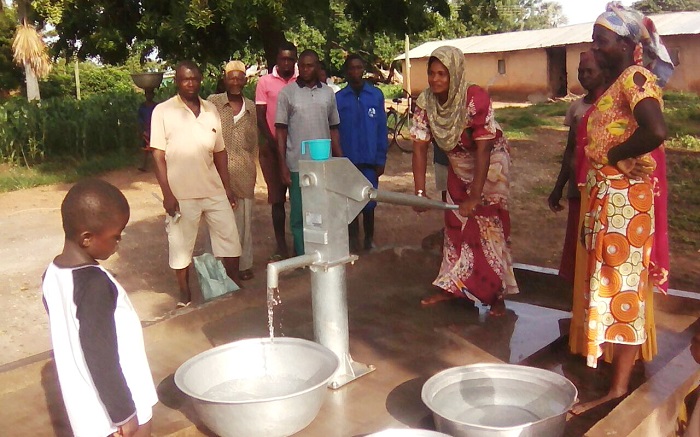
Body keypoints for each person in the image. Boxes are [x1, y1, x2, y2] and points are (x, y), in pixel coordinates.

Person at [572, 2, 674, 413]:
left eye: (604, 42)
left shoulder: (634, 77)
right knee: (612, 288)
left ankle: (617, 389)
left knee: (624, 292)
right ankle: (615, 377)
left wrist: (616, 154)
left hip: (625, 206)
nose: (596, 50)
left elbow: (656, 129)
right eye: (595, 42)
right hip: (609, 202)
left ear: (629, 44)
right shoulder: (615, 86)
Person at [42, 179, 158, 437]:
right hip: (120, 410)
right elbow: (99, 353)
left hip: (87, 413)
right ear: (86, 238)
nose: (119, 242)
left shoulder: (52, 273)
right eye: (115, 236)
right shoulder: (94, 284)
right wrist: (124, 413)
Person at [410, 45, 519, 316]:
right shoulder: (426, 103)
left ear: (455, 75)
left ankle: (497, 296)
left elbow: (483, 148)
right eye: (431, 73)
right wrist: (420, 191)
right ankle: (453, 287)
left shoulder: (475, 98)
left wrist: (475, 195)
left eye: (442, 74)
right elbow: (419, 147)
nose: (435, 79)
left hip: (491, 161)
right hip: (457, 161)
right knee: (454, 222)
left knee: (487, 223)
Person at [150, 60, 243, 307]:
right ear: (177, 82)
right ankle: (185, 295)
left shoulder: (211, 109)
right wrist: (167, 195)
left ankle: (233, 287)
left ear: (200, 80)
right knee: (181, 248)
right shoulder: (163, 111)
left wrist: (227, 187)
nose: (190, 83)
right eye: (184, 79)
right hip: (181, 195)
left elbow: (220, 152)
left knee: (230, 241)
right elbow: (158, 156)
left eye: (194, 78)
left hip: (213, 190)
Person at [275, 49, 343, 257]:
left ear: (317, 66)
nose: (305, 69)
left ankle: (320, 254)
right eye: (302, 66)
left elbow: (334, 128)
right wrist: (282, 165)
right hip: (297, 164)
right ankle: (303, 257)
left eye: (310, 65)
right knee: (298, 214)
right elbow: (281, 131)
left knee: (322, 210)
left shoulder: (328, 93)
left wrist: (339, 161)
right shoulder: (287, 94)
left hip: (323, 164)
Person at [548, 51, 606, 284]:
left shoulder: (612, 107)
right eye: (580, 72)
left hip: (602, 188)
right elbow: (570, 150)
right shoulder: (576, 109)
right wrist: (558, 187)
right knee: (578, 241)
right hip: (577, 187)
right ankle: (577, 294)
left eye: (589, 71)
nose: (583, 76)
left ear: (604, 72)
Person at [207, 60, 259, 281]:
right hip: (217, 173)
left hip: (244, 172)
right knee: (218, 222)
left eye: (240, 77)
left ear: (245, 80)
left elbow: (254, 142)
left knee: (243, 222)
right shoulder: (214, 103)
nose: (236, 81)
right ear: (225, 80)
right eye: (231, 77)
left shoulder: (251, 107)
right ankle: (217, 268)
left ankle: (243, 265)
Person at [336, 54, 388, 252]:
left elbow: (382, 128)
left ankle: (369, 239)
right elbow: (335, 130)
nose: (355, 72)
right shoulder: (339, 98)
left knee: (369, 201)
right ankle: (352, 240)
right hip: (348, 160)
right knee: (350, 201)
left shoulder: (375, 95)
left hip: (370, 159)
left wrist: (381, 158)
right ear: (347, 72)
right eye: (351, 68)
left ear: (363, 70)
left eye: (359, 68)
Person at [255, 41, 298, 261]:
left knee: (302, 198)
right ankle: (281, 245)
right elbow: (260, 116)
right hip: (272, 149)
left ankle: (302, 244)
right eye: (283, 58)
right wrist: (274, 143)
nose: (286, 62)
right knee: (277, 199)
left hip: (299, 148)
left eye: (291, 59)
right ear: (277, 60)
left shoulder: (302, 80)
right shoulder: (265, 82)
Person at [137, 88, 157, 172]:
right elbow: (140, 119)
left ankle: (158, 166)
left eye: (150, 94)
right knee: (145, 150)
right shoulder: (142, 107)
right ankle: (144, 166)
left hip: (156, 129)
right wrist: (141, 130)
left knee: (156, 149)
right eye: (147, 94)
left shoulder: (156, 106)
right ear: (145, 95)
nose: (149, 96)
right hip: (146, 130)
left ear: (153, 95)